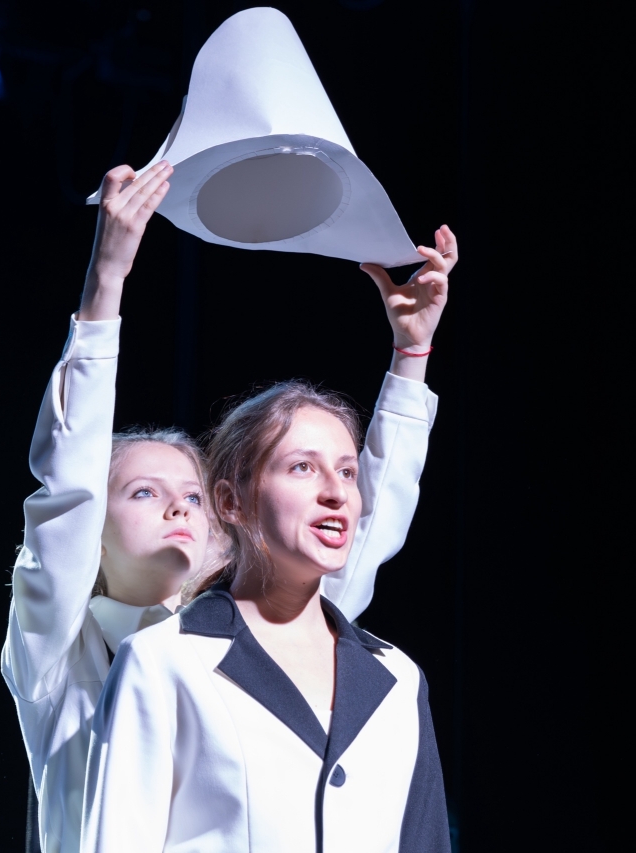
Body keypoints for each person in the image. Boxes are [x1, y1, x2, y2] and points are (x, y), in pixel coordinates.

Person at [2, 160, 456, 853]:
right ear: (94, 530)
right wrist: (106, 282)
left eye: (192, 494)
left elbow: (364, 519)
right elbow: (66, 489)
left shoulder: (262, 635)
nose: (178, 508)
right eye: (144, 491)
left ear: (225, 514)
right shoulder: (62, 653)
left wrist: (411, 355)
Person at [81, 280, 452, 852]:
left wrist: (412, 354)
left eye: (348, 472)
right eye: (302, 467)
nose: (336, 492)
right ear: (231, 501)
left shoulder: (399, 678)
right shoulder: (161, 662)